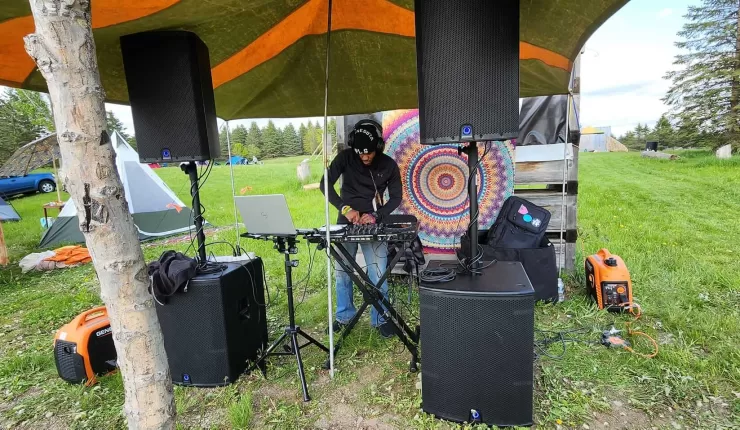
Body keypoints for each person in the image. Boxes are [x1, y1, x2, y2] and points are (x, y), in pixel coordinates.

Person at [319, 119, 402, 338]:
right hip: (345, 221)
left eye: (369, 153)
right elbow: (324, 184)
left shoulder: (388, 165)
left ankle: (380, 317)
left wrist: (375, 216)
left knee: (377, 272)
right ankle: (344, 316)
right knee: (342, 272)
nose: (365, 157)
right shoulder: (345, 158)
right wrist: (345, 208)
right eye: (360, 153)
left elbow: (396, 198)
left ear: (379, 146)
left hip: (374, 223)